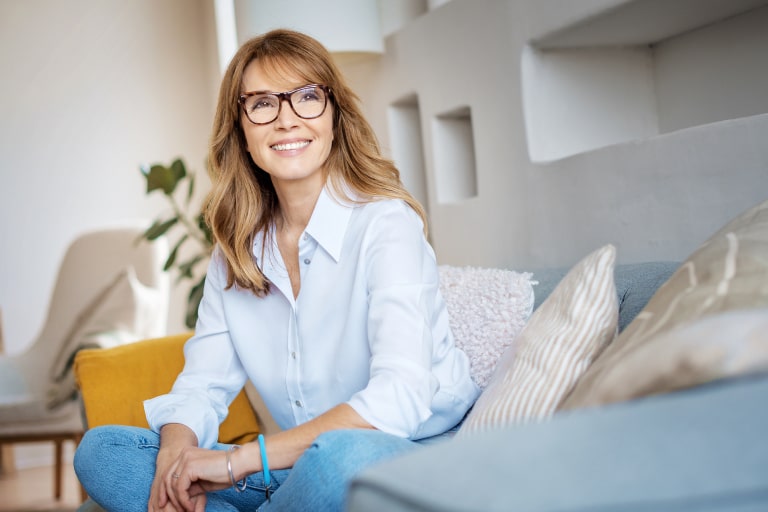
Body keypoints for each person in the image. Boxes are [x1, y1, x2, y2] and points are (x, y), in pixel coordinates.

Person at [74, 28, 479, 511]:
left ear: (335, 117)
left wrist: (238, 462)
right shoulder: (237, 250)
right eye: (262, 104)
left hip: (408, 454)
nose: (286, 120)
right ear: (242, 131)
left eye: (307, 97)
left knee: (338, 459)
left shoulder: (385, 224)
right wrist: (175, 455)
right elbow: (202, 384)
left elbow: (399, 398)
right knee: (104, 452)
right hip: (294, 470)